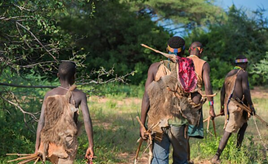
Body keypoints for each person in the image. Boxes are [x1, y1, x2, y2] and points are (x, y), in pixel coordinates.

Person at [140, 36, 203, 164]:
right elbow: (196, 99)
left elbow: (146, 97)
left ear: (167, 49)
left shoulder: (154, 68)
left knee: (159, 159)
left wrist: (142, 125)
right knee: (181, 160)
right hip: (178, 123)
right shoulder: (188, 69)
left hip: (157, 122)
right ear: (184, 50)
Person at [34, 61, 94, 164]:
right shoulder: (79, 95)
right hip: (68, 143)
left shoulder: (49, 94)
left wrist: (37, 146)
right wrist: (91, 145)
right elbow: (87, 120)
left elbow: (41, 121)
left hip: (50, 142)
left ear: (58, 75)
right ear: (74, 76)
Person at [211, 55, 255, 163]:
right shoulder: (243, 73)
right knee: (229, 130)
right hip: (236, 106)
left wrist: (222, 107)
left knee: (244, 124)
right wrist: (251, 106)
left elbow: (222, 92)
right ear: (244, 64)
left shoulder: (230, 73)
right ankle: (216, 157)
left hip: (231, 104)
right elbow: (245, 90)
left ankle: (237, 151)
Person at [187, 42, 216, 162]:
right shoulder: (203, 64)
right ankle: (186, 160)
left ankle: (184, 159)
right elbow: (208, 87)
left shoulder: (180, 61)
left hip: (177, 101)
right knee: (186, 134)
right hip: (194, 103)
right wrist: (211, 107)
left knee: (180, 132)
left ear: (190, 50)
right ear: (201, 50)